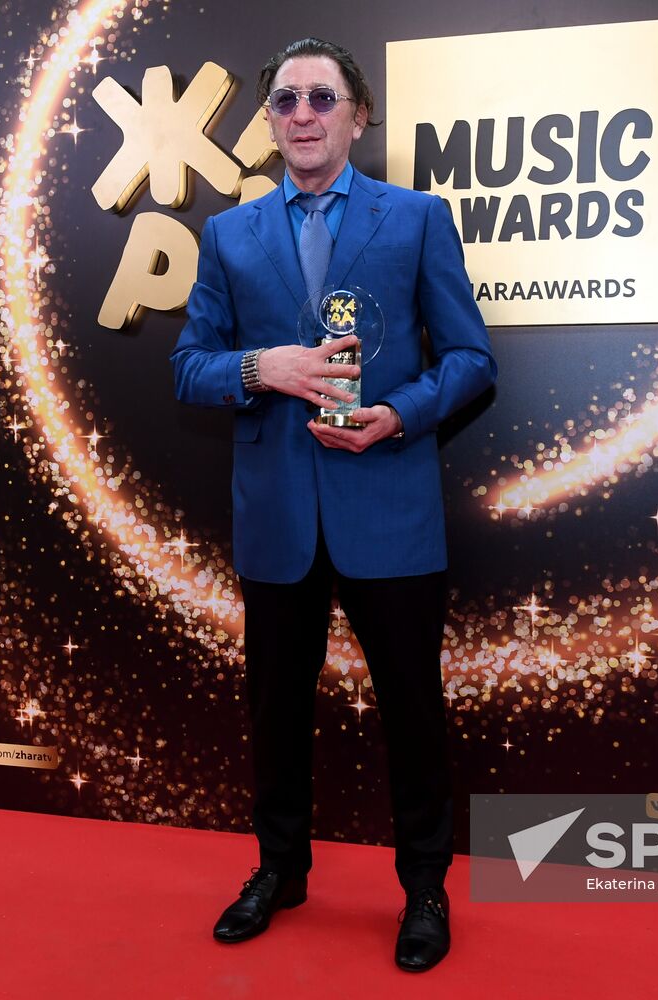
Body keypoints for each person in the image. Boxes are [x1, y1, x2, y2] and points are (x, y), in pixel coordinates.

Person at [169, 37, 496, 972]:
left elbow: (471, 361)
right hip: (277, 518)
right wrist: (257, 368)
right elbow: (188, 367)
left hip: (389, 510)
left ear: (357, 116)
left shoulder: (417, 218)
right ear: (269, 121)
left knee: (412, 710)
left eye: (321, 97)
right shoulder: (228, 235)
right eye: (285, 100)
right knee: (275, 710)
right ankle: (279, 870)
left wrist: (397, 416)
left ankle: (424, 887)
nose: (302, 114)